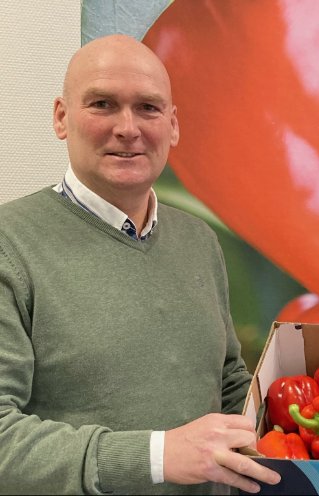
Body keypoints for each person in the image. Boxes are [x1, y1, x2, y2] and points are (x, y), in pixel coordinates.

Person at [0, 34, 280, 494]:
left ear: (172, 126)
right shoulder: (11, 244)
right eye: (103, 104)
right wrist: (157, 456)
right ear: (61, 118)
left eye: (148, 108)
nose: (128, 127)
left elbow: (228, 383)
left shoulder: (199, 241)